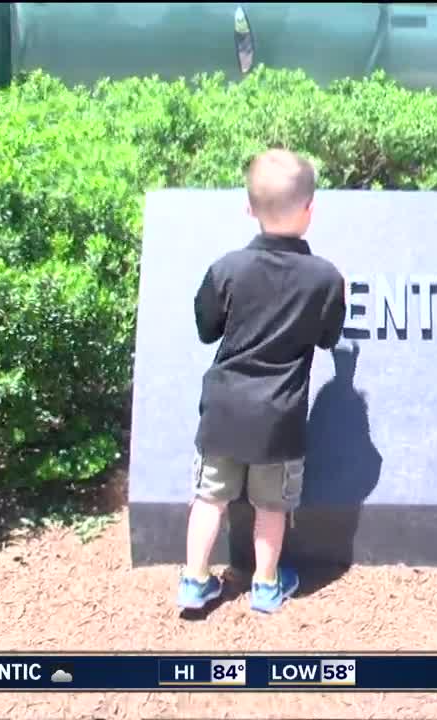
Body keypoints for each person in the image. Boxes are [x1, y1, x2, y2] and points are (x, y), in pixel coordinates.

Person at [179, 149, 347, 614]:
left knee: (209, 497)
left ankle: (194, 581)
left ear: (249, 209)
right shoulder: (325, 278)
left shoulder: (226, 268)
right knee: (272, 507)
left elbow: (205, 327)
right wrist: (338, 297)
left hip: (224, 413)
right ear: (310, 211)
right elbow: (329, 337)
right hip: (280, 419)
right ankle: (267, 586)